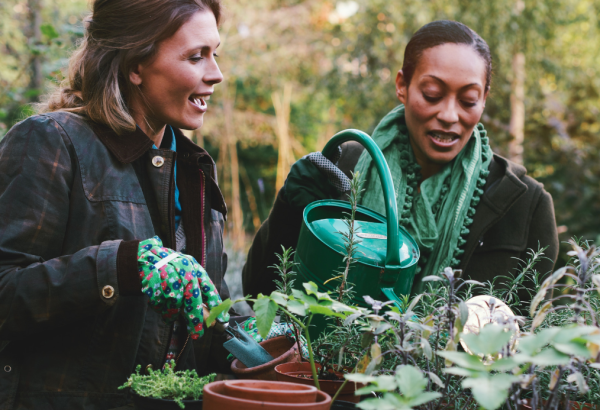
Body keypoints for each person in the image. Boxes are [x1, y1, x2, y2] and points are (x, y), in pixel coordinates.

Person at [0, 0, 234, 408]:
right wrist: (122, 266)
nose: (215, 74)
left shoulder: (194, 169)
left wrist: (261, 341)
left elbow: (209, 303)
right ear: (135, 65)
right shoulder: (52, 142)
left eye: (215, 54)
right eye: (196, 57)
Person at [243, 20, 559, 303]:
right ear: (402, 86)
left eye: (468, 101)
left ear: (485, 98)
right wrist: (288, 212)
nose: (449, 115)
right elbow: (259, 294)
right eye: (433, 94)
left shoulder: (524, 204)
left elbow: (534, 336)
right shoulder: (341, 170)